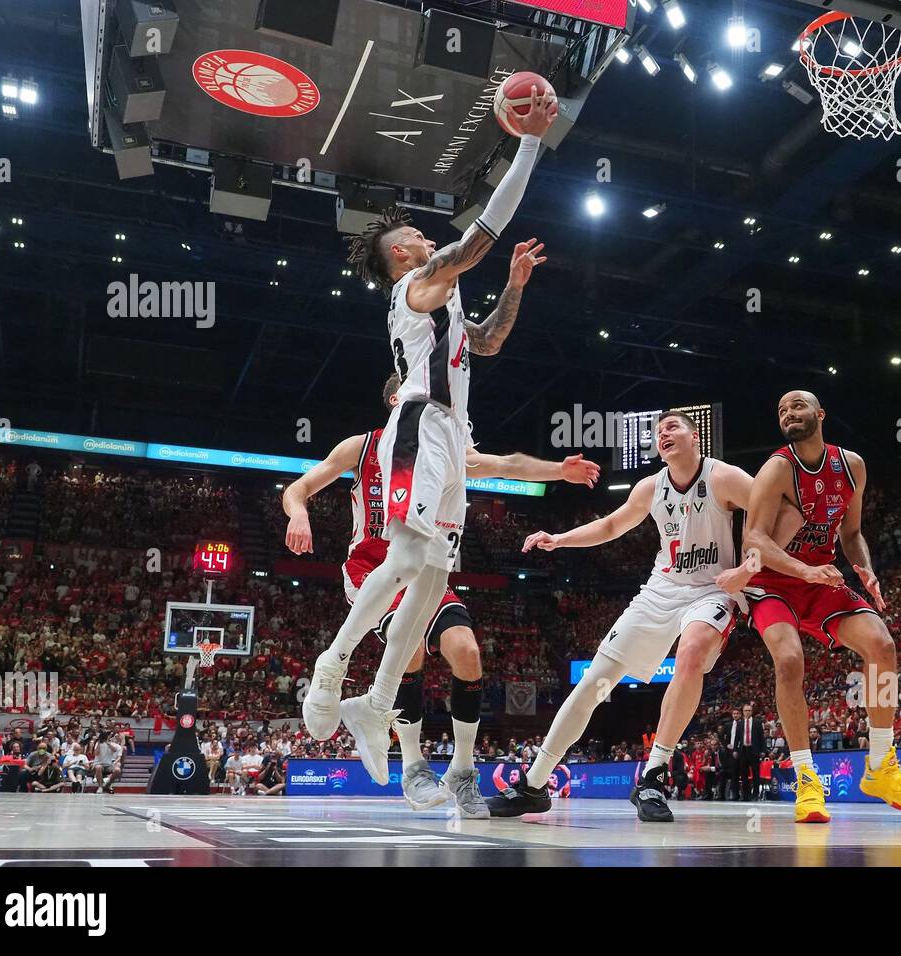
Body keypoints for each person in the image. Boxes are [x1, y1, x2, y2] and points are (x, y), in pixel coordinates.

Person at [303, 86, 557, 791]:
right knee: (414, 552)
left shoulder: (441, 305)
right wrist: (528, 142)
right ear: (399, 258)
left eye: (418, 235)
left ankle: (377, 700)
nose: (420, 235)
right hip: (419, 424)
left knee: (438, 572)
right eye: (410, 237)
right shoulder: (417, 283)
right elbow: (480, 237)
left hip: (451, 430)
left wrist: (515, 285)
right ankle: (333, 663)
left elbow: (492, 341)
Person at [285, 377, 596, 818]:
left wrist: (558, 471)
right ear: (399, 399)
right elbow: (296, 489)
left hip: (428, 568)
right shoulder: (362, 446)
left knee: (467, 652)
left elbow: (504, 464)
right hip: (372, 568)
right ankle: (413, 766)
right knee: (408, 645)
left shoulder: (445, 447)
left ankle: (463, 770)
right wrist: (299, 513)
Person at [487, 411, 758, 823]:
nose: (663, 433)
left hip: (712, 589)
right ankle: (534, 783)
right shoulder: (650, 487)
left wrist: (752, 562)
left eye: (672, 427)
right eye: (658, 430)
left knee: (692, 650)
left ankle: (652, 777)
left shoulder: (724, 477)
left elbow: (773, 511)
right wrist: (558, 539)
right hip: (660, 591)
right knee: (594, 682)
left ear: (695, 436)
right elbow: (612, 525)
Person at [736, 390, 901, 822]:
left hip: (821, 577)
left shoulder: (852, 465)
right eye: (782, 409)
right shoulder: (777, 469)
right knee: (789, 661)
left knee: (882, 645)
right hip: (773, 581)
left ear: (820, 414)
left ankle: (881, 766)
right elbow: (754, 541)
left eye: (797, 406)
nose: (788, 413)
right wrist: (804, 572)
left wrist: (865, 569)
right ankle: (807, 779)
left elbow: (852, 532)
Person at [726, 703, 765, 801]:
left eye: (749, 710)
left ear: (752, 712)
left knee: (756, 773)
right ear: (743, 712)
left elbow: (761, 737)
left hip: (754, 750)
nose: (747, 712)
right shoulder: (740, 723)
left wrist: (763, 750)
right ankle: (745, 795)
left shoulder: (757, 722)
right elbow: (737, 738)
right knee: (743, 774)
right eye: (745, 711)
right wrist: (735, 749)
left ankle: (755, 794)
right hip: (743, 750)